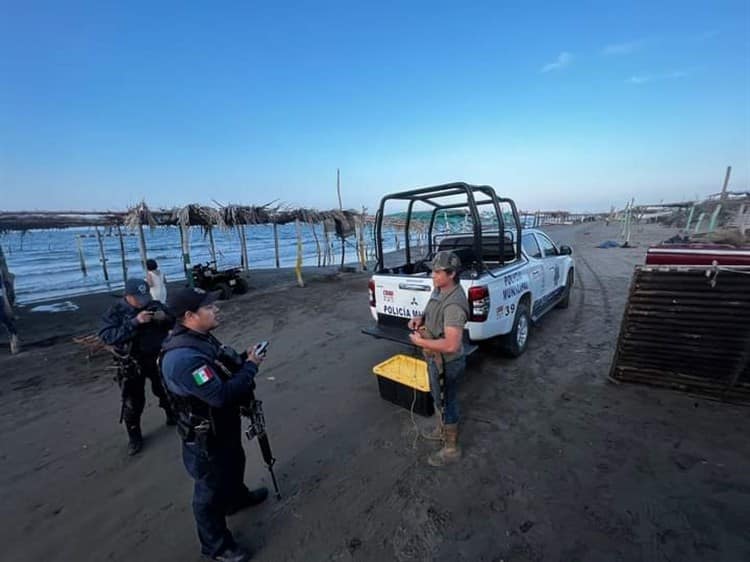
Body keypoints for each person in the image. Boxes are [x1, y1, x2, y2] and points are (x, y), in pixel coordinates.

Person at [160, 287, 269, 562]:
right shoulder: (183, 359)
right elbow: (221, 395)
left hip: (222, 426)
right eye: (208, 307)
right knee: (208, 491)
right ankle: (216, 547)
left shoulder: (200, 338)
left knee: (234, 463)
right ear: (189, 316)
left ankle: (236, 500)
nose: (216, 309)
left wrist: (243, 358)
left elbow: (220, 368)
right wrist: (252, 366)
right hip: (204, 436)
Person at [99, 278, 176, 455]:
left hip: (156, 357)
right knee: (133, 402)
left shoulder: (154, 304)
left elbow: (173, 320)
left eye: (145, 296)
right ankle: (134, 436)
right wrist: (135, 322)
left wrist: (164, 318)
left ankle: (172, 416)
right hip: (131, 362)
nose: (143, 302)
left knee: (165, 390)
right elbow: (107, 336)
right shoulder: (115, 312)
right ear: (128, 296)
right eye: (138, 298)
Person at [408, 250, 469, 467]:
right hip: (434, 358)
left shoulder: (454, 304)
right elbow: (430, 311)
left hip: (448, 362)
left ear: (451, 274)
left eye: (437, 272)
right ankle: (441, 428)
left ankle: (451, 448)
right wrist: (419, 318)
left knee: (448, 401)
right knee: (438, 397)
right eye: (432, 270)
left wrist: (420, 343)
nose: (432, 275)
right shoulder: (439, 290)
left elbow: (452, 344)